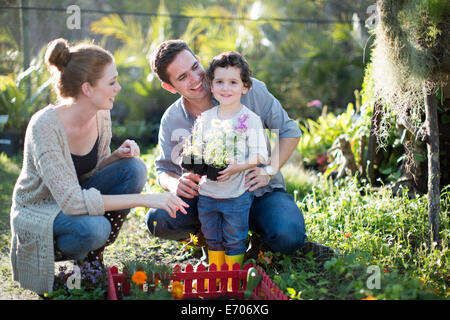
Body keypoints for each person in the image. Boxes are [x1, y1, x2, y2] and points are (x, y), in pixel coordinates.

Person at [9, 38, 188, 296]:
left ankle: (91, 258)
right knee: (97, 228)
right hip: (43, 212)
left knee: (134, 168)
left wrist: (115, 157)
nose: (119, 87)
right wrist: (146, 199)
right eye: (112, 82)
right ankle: (79, 249)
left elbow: (90, 173)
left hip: (76, 197)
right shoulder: (44, 127)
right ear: (88, 89)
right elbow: (71, 201)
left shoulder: (101, 113)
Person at [147, 39, 306, 256]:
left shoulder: (246, 89)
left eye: (195, 67)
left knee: (288, 235)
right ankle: (209, 237)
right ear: (169, 86)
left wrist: (268, 170)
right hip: (207, 198)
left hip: (257, 192)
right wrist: (175, 184)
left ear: (199, 60)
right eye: (182, 77)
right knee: (159, 220)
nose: (195, 79)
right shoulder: (172, 119)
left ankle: (257, 241)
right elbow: (163, 169)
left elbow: (290, 131)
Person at [192, 51, 269, 270]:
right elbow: (197, 150)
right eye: (220, 82)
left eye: (233, 82)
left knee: (234, 237)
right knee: (212, 236)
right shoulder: (205, 118)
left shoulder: (250, 119)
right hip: (207, 193)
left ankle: (232, 279)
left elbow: (260, 155)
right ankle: (216, 275)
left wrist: (237, 167)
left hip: (236, 195)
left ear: (245, 87)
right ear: (211, 85)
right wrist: (190, 160)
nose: (225, 88)